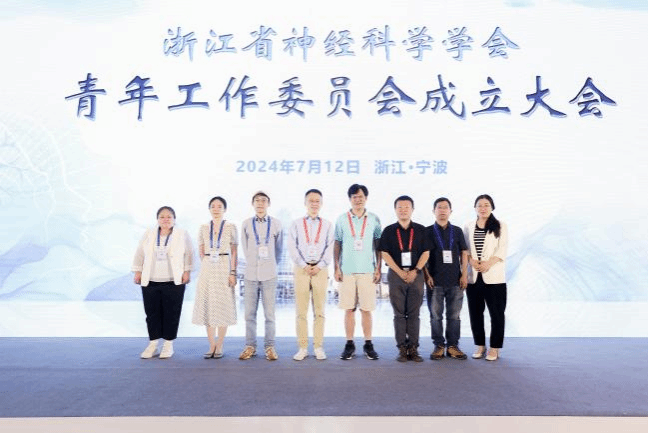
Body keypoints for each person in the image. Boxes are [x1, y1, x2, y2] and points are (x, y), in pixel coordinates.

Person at [132, 206, 194, 359]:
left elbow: (189, 253)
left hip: (173, 280)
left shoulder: (181, 233)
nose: (165, 219)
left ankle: (168, 345)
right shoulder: (149, 233)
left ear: (174, 219)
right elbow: (140, 252)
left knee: (172, 313)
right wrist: (138, 271)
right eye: (162, 216)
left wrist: (187, 271)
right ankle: (153, 344)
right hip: (151, 280)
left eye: (169, 216)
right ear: (157, 219)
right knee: (151, 313)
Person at [378, 196, 431, 362]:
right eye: (400, 207)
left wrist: (416, 270)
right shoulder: (388, 231)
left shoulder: (421, 230)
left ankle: (413, 348)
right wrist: (399, 272)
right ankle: (402, 348)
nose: (403, 210)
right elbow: (384, 253)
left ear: (412, 209)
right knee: (399, 314)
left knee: (414, 314)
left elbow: (426, 253)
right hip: (396, 275)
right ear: (395, 210)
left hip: (416, 274)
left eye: (406, 207)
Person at [334, 184, 382, 360]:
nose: (358, 199)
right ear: (350, 199)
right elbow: (337, 243)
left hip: (368, 271)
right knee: (348, 309)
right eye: (354, 197)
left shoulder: (374, 219)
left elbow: (378, 245)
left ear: (366, 198)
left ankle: (368, 344)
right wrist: (336, 267)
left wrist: (378, 268)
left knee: (366, 309)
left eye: (361, 196)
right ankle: (349, 344)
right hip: (347, 271)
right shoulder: (341, 219)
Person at [288, 189, 335, 361]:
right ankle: (302, 348)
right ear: (305, 203)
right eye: (311, 201)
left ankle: (318, 347)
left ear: (321, 204)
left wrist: (320, 265)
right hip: (301, 269)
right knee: (301, 311)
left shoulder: (328, 225)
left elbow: (330, 247)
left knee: (319, 311)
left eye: (317, 201)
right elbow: (292, 246)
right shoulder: (296, 224)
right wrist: (304, 265)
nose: (314, 204)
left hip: (320, 270)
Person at [192, 196, 238, 359]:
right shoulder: (203, 227)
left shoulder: (231, 226)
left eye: (219, 206)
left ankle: (220, 344)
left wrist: (233, 272)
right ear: (209, 209)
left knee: (223, 304)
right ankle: (211, 344)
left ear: (225, 209)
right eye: (213, 206)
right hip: (207, 268)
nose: (216, 209)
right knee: (208, 304)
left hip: (224, 266)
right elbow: (201, 250)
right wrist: (207, 263)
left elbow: (234, 251)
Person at [239, 191, 283, 361]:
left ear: (268, 204)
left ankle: (270, 347)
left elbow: (278, 250)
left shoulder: (276, 224)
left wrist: (270, 263)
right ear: (253, 204)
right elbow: (245, 248)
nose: (260, 203)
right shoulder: (246, 224)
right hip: (251, 274)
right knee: (249, 314)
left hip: (269, 274)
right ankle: (250, 346)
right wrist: (253, 261)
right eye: (257, 200)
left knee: (269, 315)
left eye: (263, 200)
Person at [464, 194, 508, 361]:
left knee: (497, 314)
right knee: (475, 314)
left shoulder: (501, 225)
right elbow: (465, 249)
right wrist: (471, 261)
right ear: (475, 208)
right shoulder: (468, 226)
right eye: (479, 205)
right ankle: (480, 345)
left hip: (494, 278)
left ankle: (494, 348)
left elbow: (502, 249)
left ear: (492, 207)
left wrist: (488, 263)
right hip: (474, 277)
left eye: (486, 205)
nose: (483, 208)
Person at [424, 197, 469, 361]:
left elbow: (464, 252)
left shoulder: (457, 231)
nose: (442, 210)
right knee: (435, 316)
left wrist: (464, 274)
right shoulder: (427, 231)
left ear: (450, 211)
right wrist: (427, 275)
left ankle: (452, 346)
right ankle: (439, 346)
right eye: (439, 207)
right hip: (434, 281)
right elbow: (423, 256)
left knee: (454, 316)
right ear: (433, 211)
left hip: (455, 281)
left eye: (445, 207)